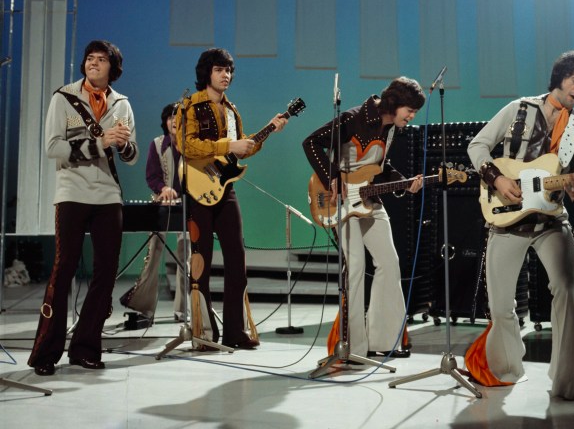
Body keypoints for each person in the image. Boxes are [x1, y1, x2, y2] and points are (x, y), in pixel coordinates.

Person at [464, 50, 574, 400]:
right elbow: (478, 144)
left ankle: (567, 382)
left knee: (567, 293)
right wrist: (496, 180)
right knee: (499, 305)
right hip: (507, 219)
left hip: (552, 220)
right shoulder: (518, 109)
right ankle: (506, 370)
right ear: (560, 77)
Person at [28, 40, 138, 376]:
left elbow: (131, 156)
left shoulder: (122, 104)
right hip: (72, 192)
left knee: (106, 275)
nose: (93, 64)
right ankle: (46, 352)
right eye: (89, 59)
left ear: (112, 68)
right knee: (63, 272)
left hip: (107, 196)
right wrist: (99, 142)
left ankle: (86, 348)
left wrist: (122, 144)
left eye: (101, 60)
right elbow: (52, 147)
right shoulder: (63, 98)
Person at [302, 76, 426, 359]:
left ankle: (382, 341)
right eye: (410, 109)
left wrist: (404, 182)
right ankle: (354, 347)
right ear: (395, 103)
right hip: (340, 203)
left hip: (369, 201)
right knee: (356, 266)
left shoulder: (390, 129)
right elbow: (311, 143)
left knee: (389, 263)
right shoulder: (352, 118)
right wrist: (332, 178)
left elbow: (380, 167)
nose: (412, 116)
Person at [176, 47, 288, 350]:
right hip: (199, 190)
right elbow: (187, 146)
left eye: (229, 70)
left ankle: (235, 332)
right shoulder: (189, 105)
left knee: (237, 259)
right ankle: (204, 334)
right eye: (219, 69)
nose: (226, 75)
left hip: (225, 190)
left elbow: (241, 151)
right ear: (206, 73)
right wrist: (229, 145)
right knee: (201, 262)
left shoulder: (231, 110)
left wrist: (268, 132)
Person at [119, 102, 189, 323]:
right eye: (170, 117)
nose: (174, 121)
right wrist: (163, 189)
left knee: (185, 255)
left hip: (186, 205)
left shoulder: (192, 146)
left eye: (178, 117)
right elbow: (152, 176)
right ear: (165, 122)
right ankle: (144, 308)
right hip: (162, 203)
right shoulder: (157, 144)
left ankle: (183, 310)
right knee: (154, 253)